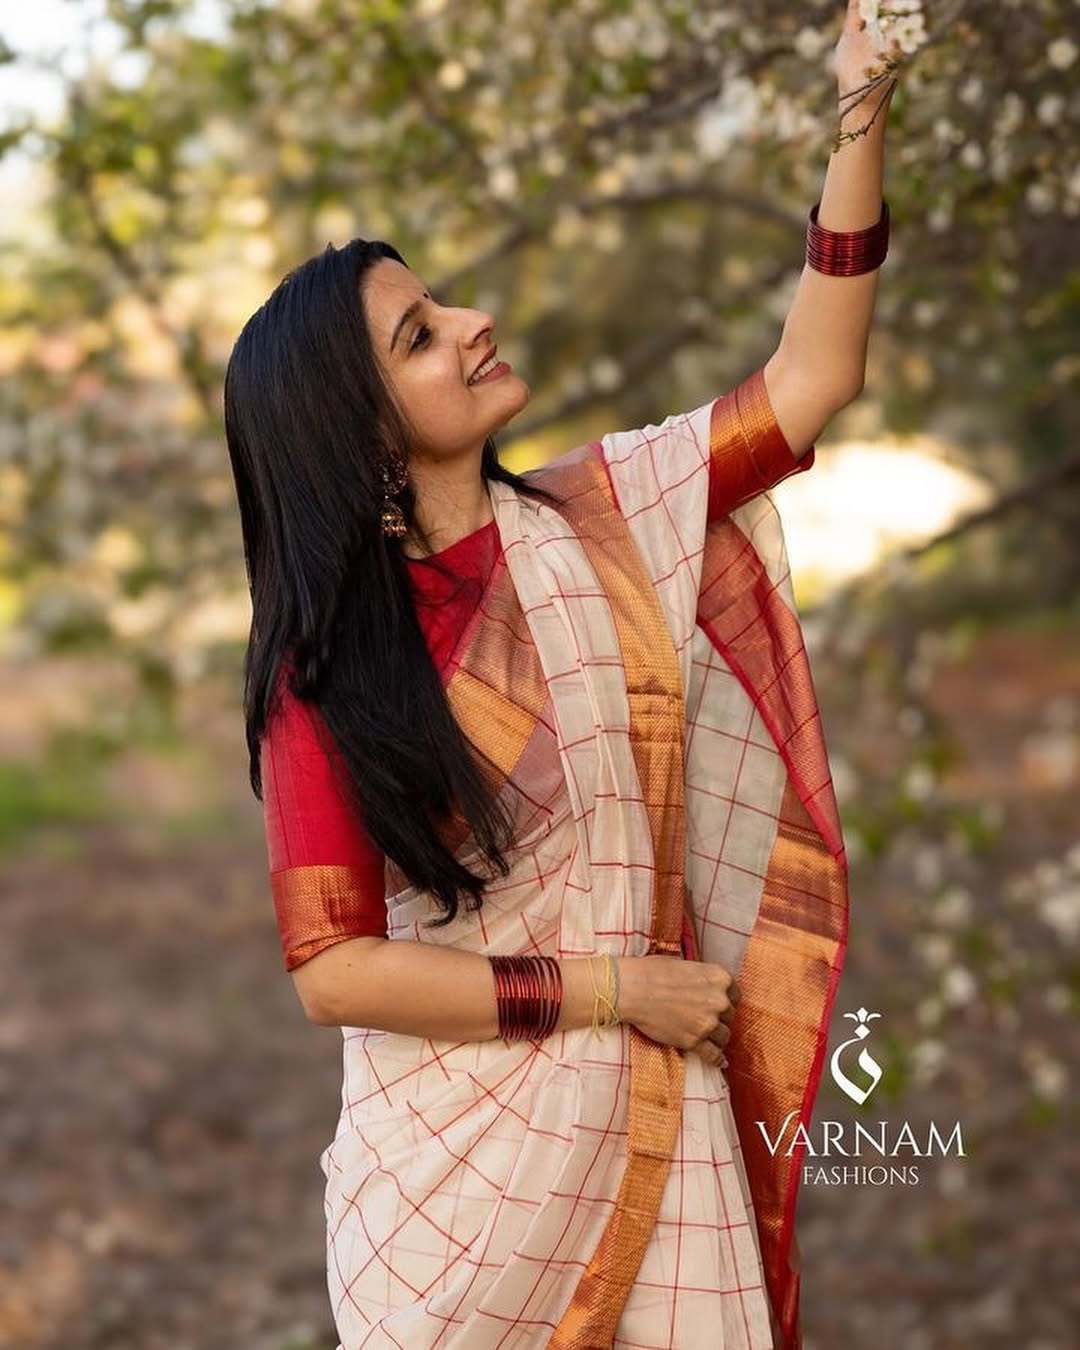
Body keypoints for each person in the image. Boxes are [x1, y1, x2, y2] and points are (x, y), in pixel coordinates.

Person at [223, 7, 902, 1344]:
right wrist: (608, 988)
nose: (472, 322)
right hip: (453, 1206)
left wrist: (860, 110)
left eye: (441, 301)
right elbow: (335, 971)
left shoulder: (613, 516)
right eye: (420, 334)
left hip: (659, 1109)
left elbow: (815, 376)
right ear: (357, 431)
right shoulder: (331, 670)